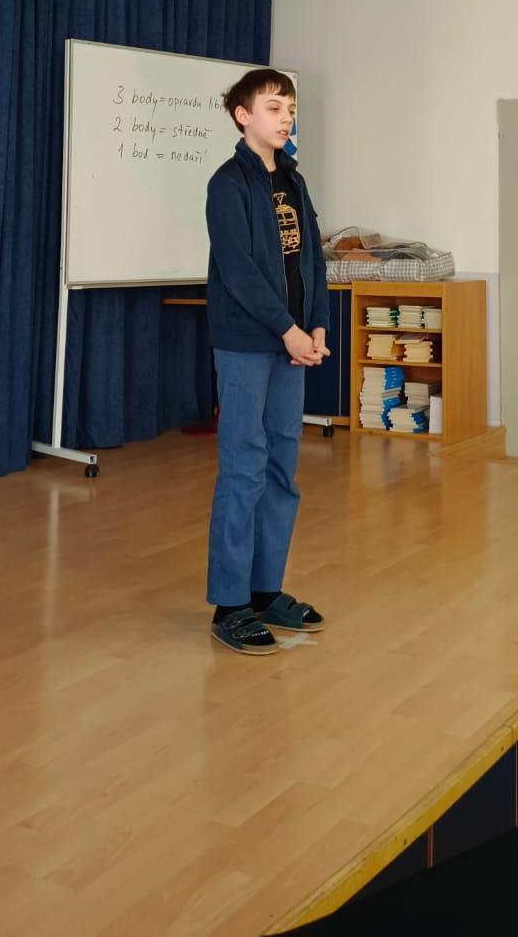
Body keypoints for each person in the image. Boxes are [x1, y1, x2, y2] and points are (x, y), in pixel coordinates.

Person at [204, 68, 330, 655]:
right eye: (275, 108)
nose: (286, 119)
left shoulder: (294, 181)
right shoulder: (227, 183)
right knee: (244, 467)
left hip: (293, 342)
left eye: (291, 109)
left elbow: (313, 260)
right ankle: (230, 604)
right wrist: (288, 330)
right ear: (243, 115)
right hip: (249, 343)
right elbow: (239, 271)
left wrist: (317, 323)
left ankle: (264, 591)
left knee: (282, 467)